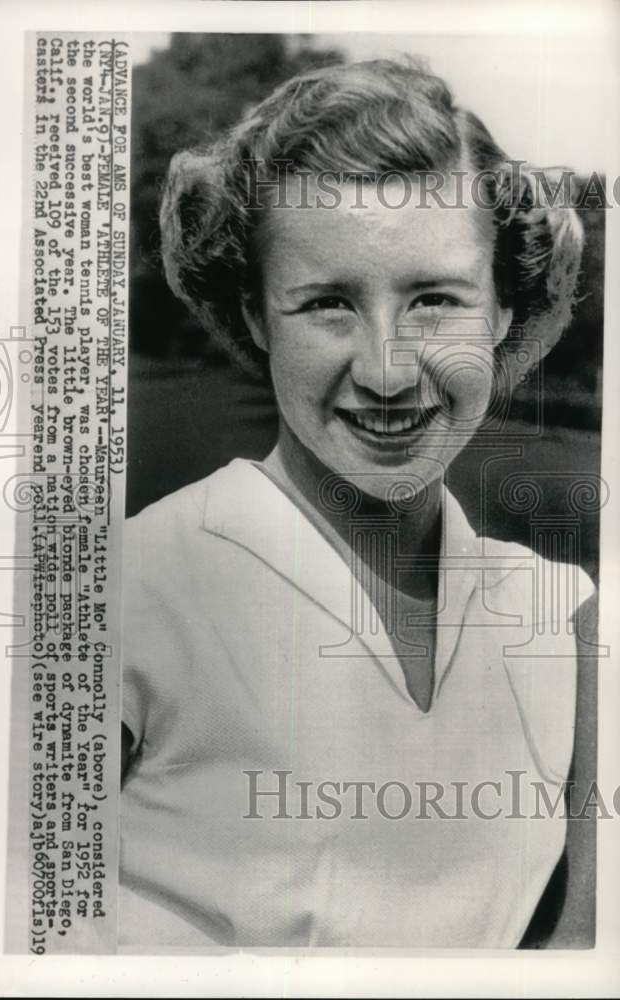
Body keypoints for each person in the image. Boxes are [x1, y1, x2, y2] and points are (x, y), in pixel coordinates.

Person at [119, 58, 598, 949]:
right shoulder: (129, 588)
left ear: (501, 311)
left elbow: (584, 959)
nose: (386, 371)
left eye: (435, 301)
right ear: (258, 317)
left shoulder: (565, 616)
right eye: (328, 303)